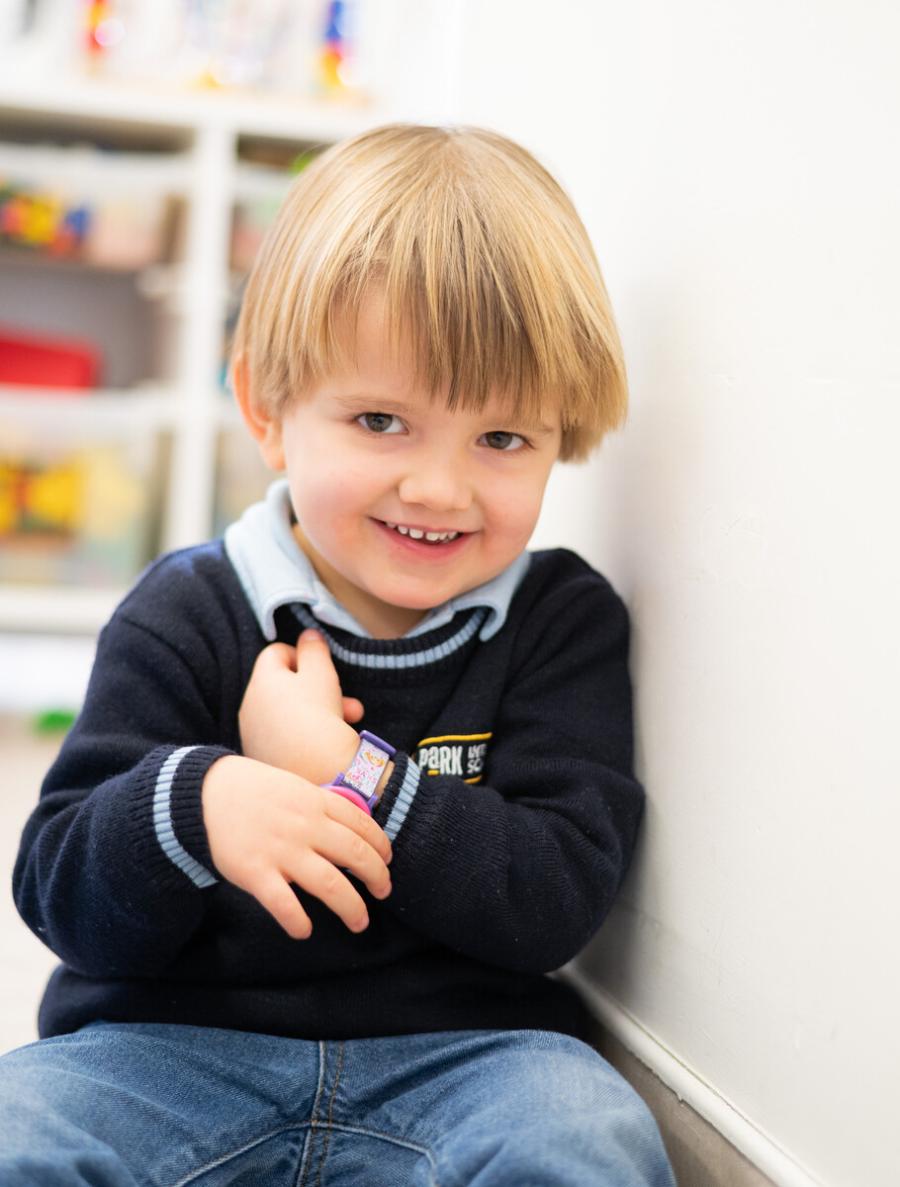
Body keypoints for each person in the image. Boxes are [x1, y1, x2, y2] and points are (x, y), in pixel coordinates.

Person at [3, 124, 675, 1186]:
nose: (440, 489)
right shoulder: (188, 608)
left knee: (583, 1134)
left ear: (563, 434)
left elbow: (554, 900)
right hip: (164, 1056)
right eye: (381, 420)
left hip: (466, 1061)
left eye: (502, 439)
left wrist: (344, 770)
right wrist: (197, 803)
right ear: (267, 408)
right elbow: (61, 891)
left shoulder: (561, 618)